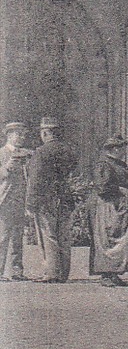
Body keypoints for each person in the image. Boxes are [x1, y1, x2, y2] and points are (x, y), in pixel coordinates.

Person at [25, 117, 77, 282]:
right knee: (64, 235)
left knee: (48, 235)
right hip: (65, 196)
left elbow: (35, 179)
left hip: (46, 198)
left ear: (46, 133)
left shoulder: (41, 152)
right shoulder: (68, 150)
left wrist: (30, 203)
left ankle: (52, 272)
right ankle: (63, 273)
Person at [89, 138, 128, 286]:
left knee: (119, 238)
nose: (124, 151)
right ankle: (105, 274)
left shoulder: (120, 164)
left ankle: (114, 273)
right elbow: (102, 187)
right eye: (122, 148)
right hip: (108, 206)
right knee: (107, 238)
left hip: (121, 207)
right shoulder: (103, 164)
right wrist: (120, 190)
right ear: (115, 149)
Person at [0, 122, 31, 280]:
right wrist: (7, 167)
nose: (22, 138)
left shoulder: (26, 154)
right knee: (3, 237)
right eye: (18, 134)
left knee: (18, 238)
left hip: (20, 200)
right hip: (5, 200)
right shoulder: (2, 153)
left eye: (23, 134)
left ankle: (17, 270)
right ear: (9, 135)